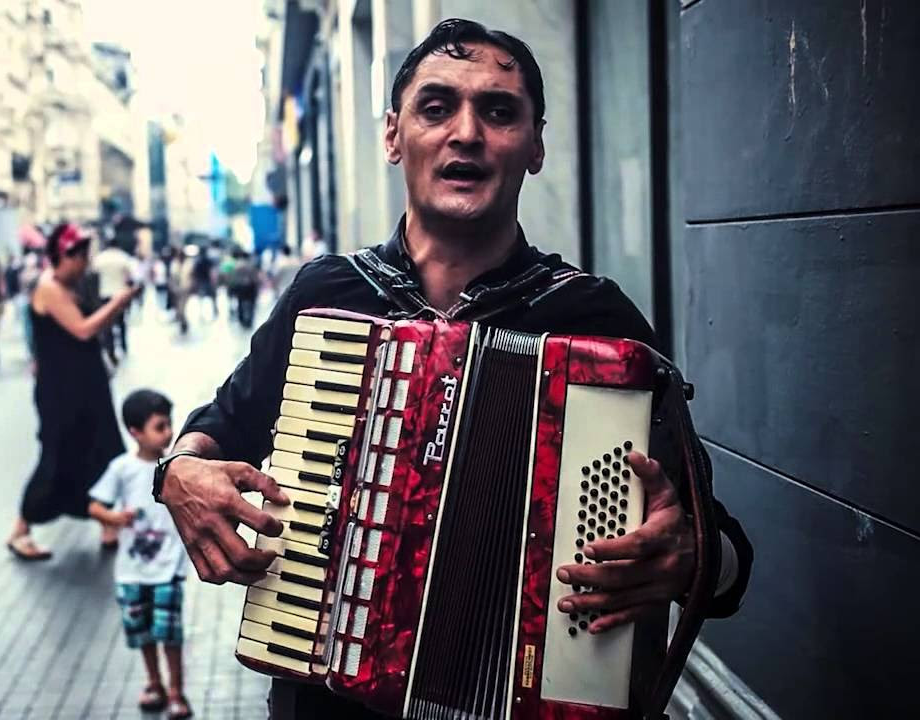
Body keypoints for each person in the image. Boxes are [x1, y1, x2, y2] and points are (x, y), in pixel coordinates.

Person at [152, 20, 753, 718]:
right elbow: (221, 426)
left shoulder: (597, 323)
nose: (466, 132)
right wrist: (176, 473)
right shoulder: (327, 297)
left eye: (499, 111)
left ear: (535, 145)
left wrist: (686, 560)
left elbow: (726, 558)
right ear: (392, 135)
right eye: (436, 107)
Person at [6, 224, 141, 560]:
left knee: (104, 449)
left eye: (84, 257)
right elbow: (82, 330)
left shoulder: (72, 286)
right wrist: (119, 303)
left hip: (85, 386)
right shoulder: (49, 288)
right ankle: (21, 528)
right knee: (58, 456)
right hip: (62, 392)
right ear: (61, 256)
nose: (83, 264)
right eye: (78, 257)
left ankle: (107, 523)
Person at [88, 390, 193, 720]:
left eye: (169, 424)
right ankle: (154, 684)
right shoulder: (122, 469)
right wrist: (115, 519)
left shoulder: (176, 468)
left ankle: (176, 691)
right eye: (160, 426)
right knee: (145, 634)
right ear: (135, 431)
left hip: (168, 568)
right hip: (132, 571)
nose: (168, 432)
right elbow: (95, 506)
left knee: (170, 635)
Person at [93, 239, 137, 365]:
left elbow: (93, 274)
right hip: (120, 294)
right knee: (121, 322)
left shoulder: (100, 258)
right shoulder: (123, 257)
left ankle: (111, 351)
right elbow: (130, 276)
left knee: (107, 325)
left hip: (104, 294)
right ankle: (123, 346)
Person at [228, 248, 261, 329]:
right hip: (251, 287)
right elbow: (255, 278)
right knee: (251, 305)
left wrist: (232, 288)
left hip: (240, 288)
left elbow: (233, 279)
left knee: (240, 304)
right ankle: (249, 321)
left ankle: (242, 320)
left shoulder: (236, 265)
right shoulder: (251, 265)